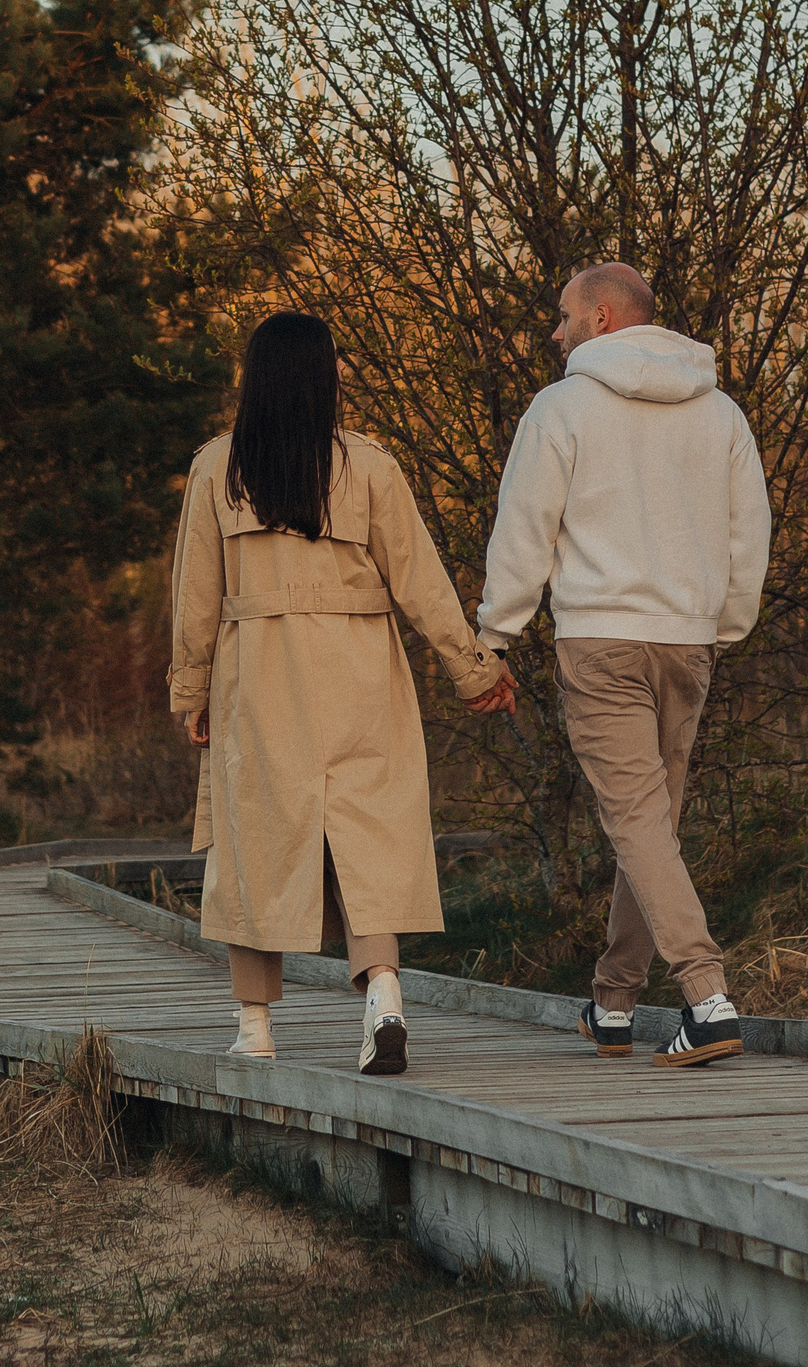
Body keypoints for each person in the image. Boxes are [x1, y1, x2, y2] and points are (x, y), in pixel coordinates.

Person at [168, 312, 512, 1074]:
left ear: (253, 379)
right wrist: (473, 667)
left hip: (260, 678)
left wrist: (190, 689)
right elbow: (420, 581)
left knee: (255, 836)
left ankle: (254, 1025)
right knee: (367, 835)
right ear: (327, 378)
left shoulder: (216, 469)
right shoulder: (370, 468)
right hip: (361, 675)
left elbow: (196, 595)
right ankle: (383, 994)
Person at [478, 263, 770, 1068]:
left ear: (603, 319)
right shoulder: (721, 414)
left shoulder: (562, 408)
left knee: (639, 823)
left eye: (563, 315)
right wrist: (727, 621)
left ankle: (707, 999)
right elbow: (751, 529)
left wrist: (496, 632)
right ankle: (613, 1004)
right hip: (688, 639)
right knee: (653, 826)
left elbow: (525, 526)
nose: (554, 330)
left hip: (602, 641)